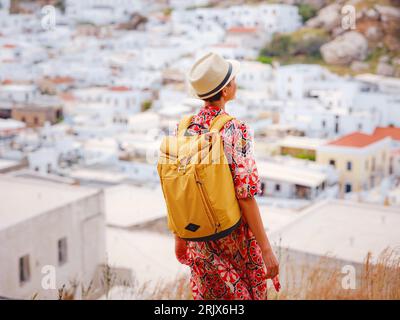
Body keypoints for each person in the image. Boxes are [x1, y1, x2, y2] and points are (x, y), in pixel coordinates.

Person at [173, 52, 279, 300]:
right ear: (225, 92)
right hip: (234, 239)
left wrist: (179, 236)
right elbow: (245, 195)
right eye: (232, 81)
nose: (236, 84)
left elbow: (180, 188)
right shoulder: (235, 129)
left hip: (199, 239)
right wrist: (266, 249)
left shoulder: (185, 127)